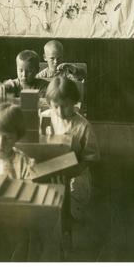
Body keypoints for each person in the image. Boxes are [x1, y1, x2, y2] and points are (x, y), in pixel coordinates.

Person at [40, 76, 99, 221]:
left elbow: (90, 157)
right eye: (55, 106)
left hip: (75, 170)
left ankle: (66, 219)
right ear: (49, 103)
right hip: (48, 166)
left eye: (65, 105)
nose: (60, 111)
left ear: (74, 101)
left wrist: (73, 172)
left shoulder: (82, 125)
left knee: (72, 193)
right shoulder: (44, 117)